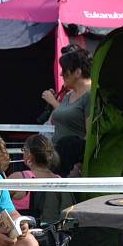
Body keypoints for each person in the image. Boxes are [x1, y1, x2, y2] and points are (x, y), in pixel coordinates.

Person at [41, 47, 92, 177]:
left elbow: (90, 137)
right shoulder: (69, 94)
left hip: (73, 165)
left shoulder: (91, 96)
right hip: (58, 159)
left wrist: (79, 166)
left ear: (77, 72)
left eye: (64, 70)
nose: (61, 74)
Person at [9, 134, 74, 223]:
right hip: (52, 233)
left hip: (23, 233)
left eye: (23, 150)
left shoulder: (19, 178)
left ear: (29, 154)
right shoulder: (59, 180)